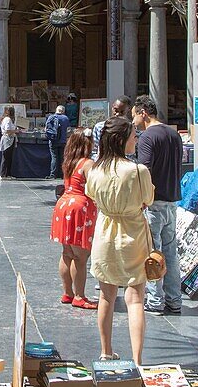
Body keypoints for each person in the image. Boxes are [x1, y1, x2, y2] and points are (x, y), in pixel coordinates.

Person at [85, 116, 153, 363]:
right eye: (134, 135)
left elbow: (91, 195)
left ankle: (105, 351)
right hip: (133, 233)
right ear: (122, 140)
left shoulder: (95, 170)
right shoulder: (138, 170)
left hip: (105, 233)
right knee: (135, 298)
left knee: (106, 296)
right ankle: (137, 359)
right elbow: (148, 198)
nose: (137, 138)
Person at [132, 95, 184, 316]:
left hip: (153, 202)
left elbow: (144, 171)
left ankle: (155, 300)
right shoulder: (174, 134)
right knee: (170, 252)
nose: (133, 120)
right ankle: (174, 299)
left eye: (134, 115)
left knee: (152, 252)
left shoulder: (147, 137)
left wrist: (140, 199)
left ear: (143, 112)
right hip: (171, 200)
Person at [50, 128, 98, 310]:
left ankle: (68, 293)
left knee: (67, 253)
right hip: (79, 208)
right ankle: (80, 296)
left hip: (63, 206)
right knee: (80, 256)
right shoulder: (88, 164)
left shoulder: (69, 163)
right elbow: (94, 189)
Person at [45, 105, 71, 180]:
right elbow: (68, 130)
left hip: (53, 141)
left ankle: (53, 174)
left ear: (56, 110)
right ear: (63, 111)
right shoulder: (65, 118)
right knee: (63, 158)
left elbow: (46, 129)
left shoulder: (51, 117)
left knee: (54, 157)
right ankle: (63, 174)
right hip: (63, 141)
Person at [0, 106, 21, 180]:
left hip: (10, 140)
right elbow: (7, 131)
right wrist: (16, 131)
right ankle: (3, 174)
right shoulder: (8, 120)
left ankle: (8, 174)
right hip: (8, 140)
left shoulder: (6, 119)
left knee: (9, 158)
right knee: (6, 157)